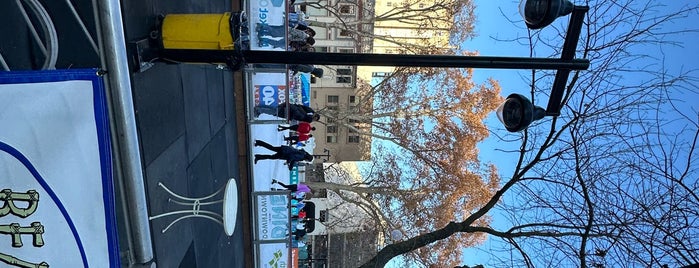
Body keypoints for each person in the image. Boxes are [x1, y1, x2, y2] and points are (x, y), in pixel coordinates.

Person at [256, 103, 320, 122]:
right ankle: (259, 110)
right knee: (273, 112)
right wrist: (291, 118)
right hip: (287, 110)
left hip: (289, 107)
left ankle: (260, 107)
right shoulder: (304, 116)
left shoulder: (307, 113)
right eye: (314, 119)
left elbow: (300, 107)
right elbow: (296, 112)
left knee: (274, 109)